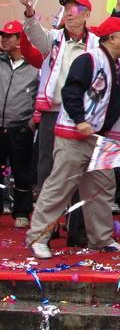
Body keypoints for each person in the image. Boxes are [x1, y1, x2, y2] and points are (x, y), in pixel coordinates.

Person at [25, 16, 120, 259]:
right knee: (59, 187)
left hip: (102, 139)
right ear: (111, 38)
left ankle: (101, 239)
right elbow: (71, 91)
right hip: (76, 135)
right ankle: (39, 238)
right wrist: (80, 120)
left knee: (102, 189)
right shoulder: (88, 60)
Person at [18, 0, 99, 247]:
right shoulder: (53, 39)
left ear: (87, 15)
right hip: (53, 114)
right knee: (48, 172)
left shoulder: (96, 44)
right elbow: (34, 34)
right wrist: (29, 11)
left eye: (75, 10)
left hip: (83, 115)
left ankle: (78, 231)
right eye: (66, 10)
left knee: (81, 173)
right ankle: (47, 229)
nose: (69, 15)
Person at [0, 20, 39, 228]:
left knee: (22, 172)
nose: (4, 39)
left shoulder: (35, 65)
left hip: (21, 127)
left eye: (9, 36)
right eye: (3, 36)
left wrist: (31, 124)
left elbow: (41, 95)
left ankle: (22, 212)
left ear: (20, 39)